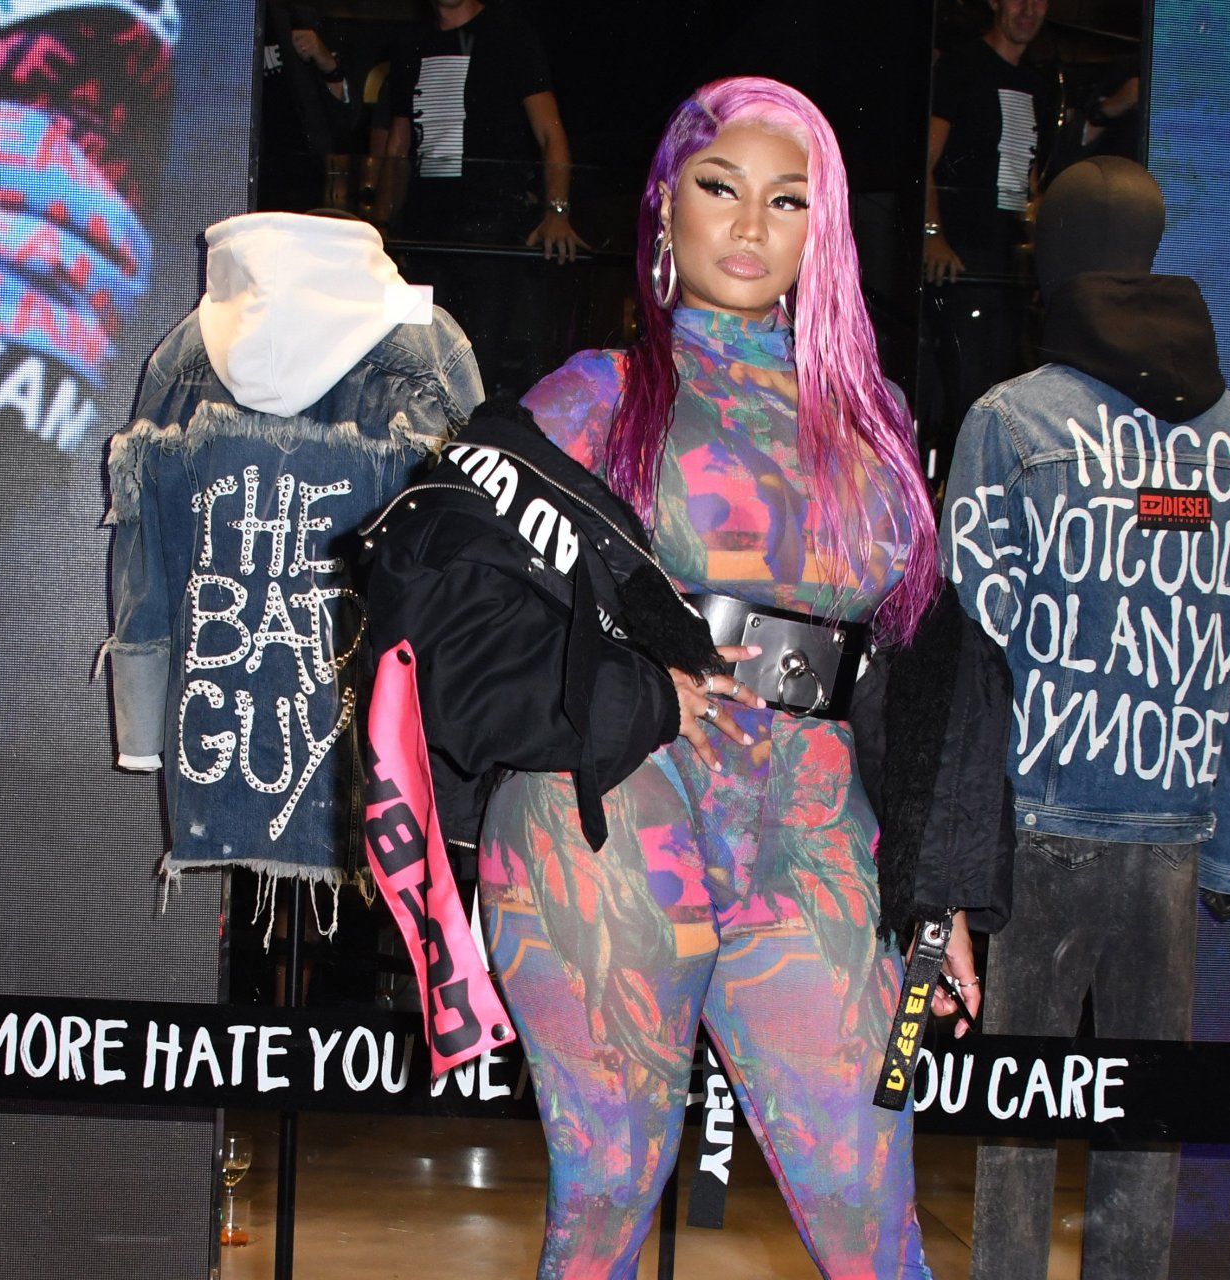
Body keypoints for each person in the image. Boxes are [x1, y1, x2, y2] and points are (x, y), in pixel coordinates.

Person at [362, 76, 1011, 1277]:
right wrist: (634, 693)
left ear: (825, 227)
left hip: (814, 821)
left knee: (871, 1211)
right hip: (617, 806)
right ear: (666, 205)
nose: (752, 225)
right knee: (610, 1192)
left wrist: (942, 879)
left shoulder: (873, 417)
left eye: (788, 199)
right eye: (721, 188)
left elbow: (925, 660)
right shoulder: (593, 397)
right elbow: (441, 602)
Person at [944, 156, 1230, 1280]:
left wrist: (950, 859)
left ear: (1051, 257)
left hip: (1039, 823)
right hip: (1173, 835)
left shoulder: (1008, 420)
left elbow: (970, 657)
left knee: (1017, 1127)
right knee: (1148, 1125)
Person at [923, 0, 1053, 472]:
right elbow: (925, 159)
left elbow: (1031, 180)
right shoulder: (963, 65)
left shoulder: (1039, 82)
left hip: (1009, 266)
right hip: (964, 260)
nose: (1028, 9)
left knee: (1006, 388)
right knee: (966, 392)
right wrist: (932, 234)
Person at [374, 0, 586, 259]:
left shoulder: (508, 33)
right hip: (425, 229)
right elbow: (398, 147)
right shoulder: (410, 44)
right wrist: (382, 224)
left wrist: (557, 212)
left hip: (493, 229)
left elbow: (549, 133)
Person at [257, 3, 354, 213]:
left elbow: (345, 115)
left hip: (306, 172)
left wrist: (326, 61)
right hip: (248, 169)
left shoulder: (301, 16)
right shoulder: (229, 21)